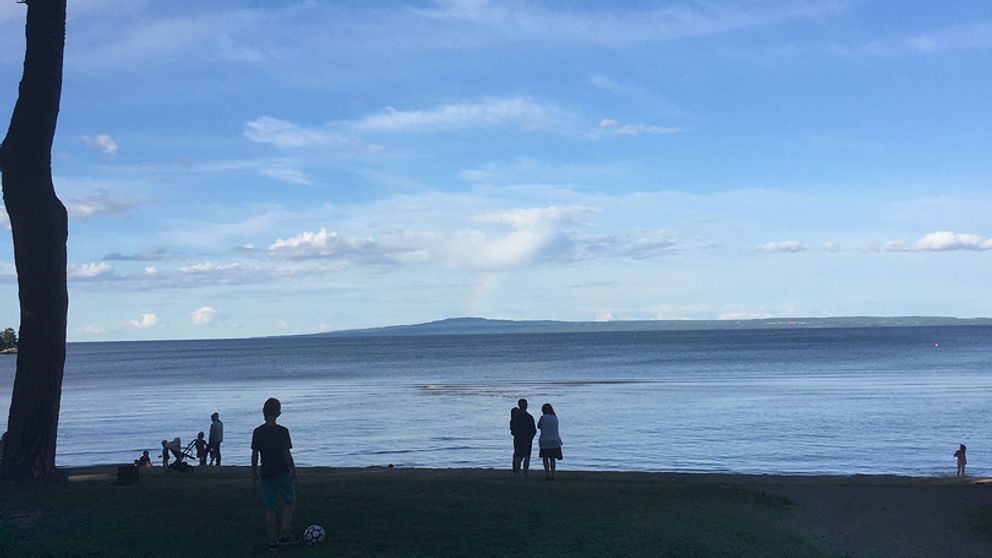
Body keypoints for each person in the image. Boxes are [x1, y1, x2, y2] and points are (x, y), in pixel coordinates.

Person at [252, 398, 298, 551]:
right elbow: (286, 453)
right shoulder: (282, 432)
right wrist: (293, 469)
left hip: (266, 472)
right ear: (279, 413)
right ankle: (284, 534)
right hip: (282, 471)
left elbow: (255, 454)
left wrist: (254, 472)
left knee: (269, 506)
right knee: (289, 501)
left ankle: (272, 541)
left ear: (264, 412)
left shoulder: (258, 432)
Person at [510, 398, 536, 480]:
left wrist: (516, 434)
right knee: (527, 456)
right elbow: (533, 430)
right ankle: (525, 473)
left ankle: (517, 474)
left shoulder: (515, 417)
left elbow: (512, 429)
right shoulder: (529, 417)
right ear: (526, 406)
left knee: (518, 456)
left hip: (518, 438)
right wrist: (530, 437)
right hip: (527, 439)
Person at [538, 403, 563, 481]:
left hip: (545, 440)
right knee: (552, 458)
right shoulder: (555, 417)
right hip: (555, 440)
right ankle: (553, 474)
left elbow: (539, 426)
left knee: (545, 458)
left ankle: (547, 474)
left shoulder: (543, 417)